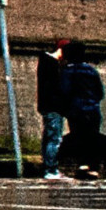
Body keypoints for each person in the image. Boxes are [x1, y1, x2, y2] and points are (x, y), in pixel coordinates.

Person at [60, 41, 106, 178]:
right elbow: (100, 92)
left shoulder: (68, 71)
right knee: (92, 137)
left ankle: (82, 165)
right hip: (92, 110)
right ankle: (93, 167)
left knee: (79, 136)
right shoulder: (91, 70)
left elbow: (65, 91)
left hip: (76, 110)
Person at [36, 42, 73, 180]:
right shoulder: (52, 65)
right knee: (54, 139)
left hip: (47, 106)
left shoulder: (46, 62)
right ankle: (51, 170)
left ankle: (49, 168)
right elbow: (56, 89)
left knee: (49, 138)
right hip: (53, 107)